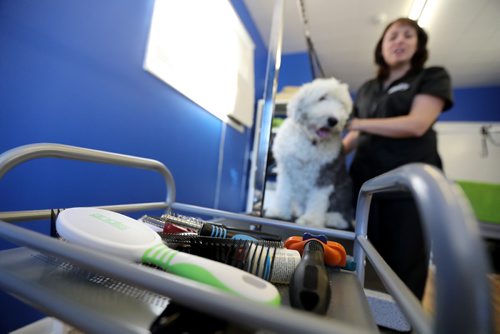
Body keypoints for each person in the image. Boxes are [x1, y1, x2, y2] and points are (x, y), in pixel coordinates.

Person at [342, 17, 453, 299]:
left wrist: (358, 124)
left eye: (408, 35)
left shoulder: (431, 77)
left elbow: (417, 123)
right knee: (362, 258)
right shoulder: (367, 88)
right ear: (382, 46)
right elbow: (353, 138)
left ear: (419, 46)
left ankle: (402, 324)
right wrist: (322, 155)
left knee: (404, 265)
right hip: (365, 189)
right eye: (393, 36)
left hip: (406, 191)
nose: (400, 41)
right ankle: (363, 317)